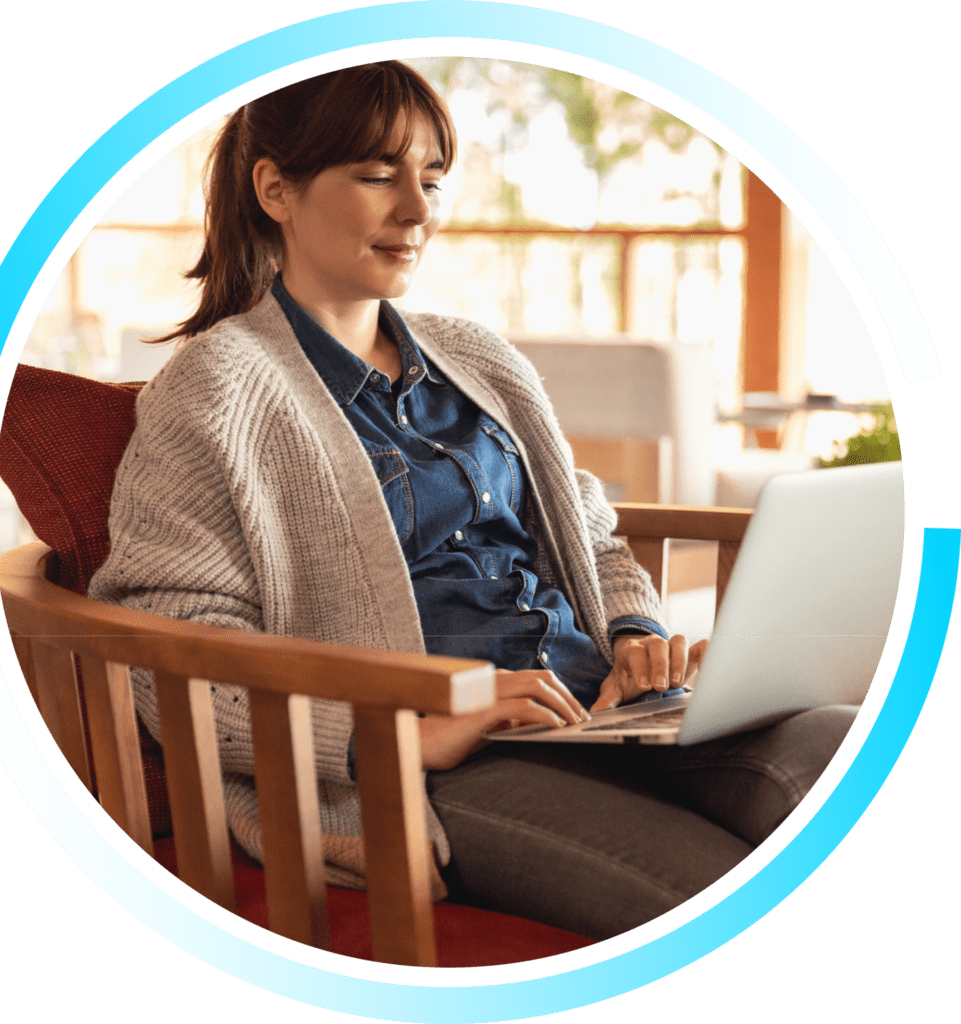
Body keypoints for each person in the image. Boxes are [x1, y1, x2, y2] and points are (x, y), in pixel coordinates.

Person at [89, 61, 855, 939]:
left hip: (604, 712)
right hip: (436, 769)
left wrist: (635, 635)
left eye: (433, 178)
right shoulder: (213, 389)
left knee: (849, 753)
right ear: (276, 189)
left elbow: (596, 539)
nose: (418, 210)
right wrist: (401, 735)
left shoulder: (481, 358)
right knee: (726, 902)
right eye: (378, 176)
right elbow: (162, 651)